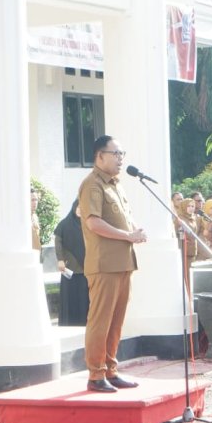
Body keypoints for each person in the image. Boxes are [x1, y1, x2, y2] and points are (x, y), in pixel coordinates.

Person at [78, 135, 147, 393]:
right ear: (100, 156)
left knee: (116, 321)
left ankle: (110, 369)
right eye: (115, 154)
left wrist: (133, 232)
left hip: (123, 262)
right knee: (101, 320)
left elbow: (118, 221)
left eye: (122, 154)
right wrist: (128, 235)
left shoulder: (116, 185)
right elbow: (93, 222)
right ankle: (96, 374)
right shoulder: (92, 185)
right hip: (104, 264)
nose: (120, 159)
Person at [54, 200, 89, 326]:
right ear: (73, 208)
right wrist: (60, 259)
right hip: (70, 267)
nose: (80, 210)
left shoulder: (88, 225)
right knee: (69, 296)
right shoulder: (64, 224)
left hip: (86, 267)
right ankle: (69, 322)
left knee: (84, 295)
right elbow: (58, 242)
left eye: (82, 207)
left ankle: (84, 321)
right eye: (77, 207)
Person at [175, 197, 198, 276]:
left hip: (192, 250)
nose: (191, 208)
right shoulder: (180, 219)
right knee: (186, 274)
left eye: (193, 206)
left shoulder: (193, 218)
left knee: (192, 274)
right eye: (189, 206)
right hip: (184, 249)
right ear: (184, 207)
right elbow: (177, 233)